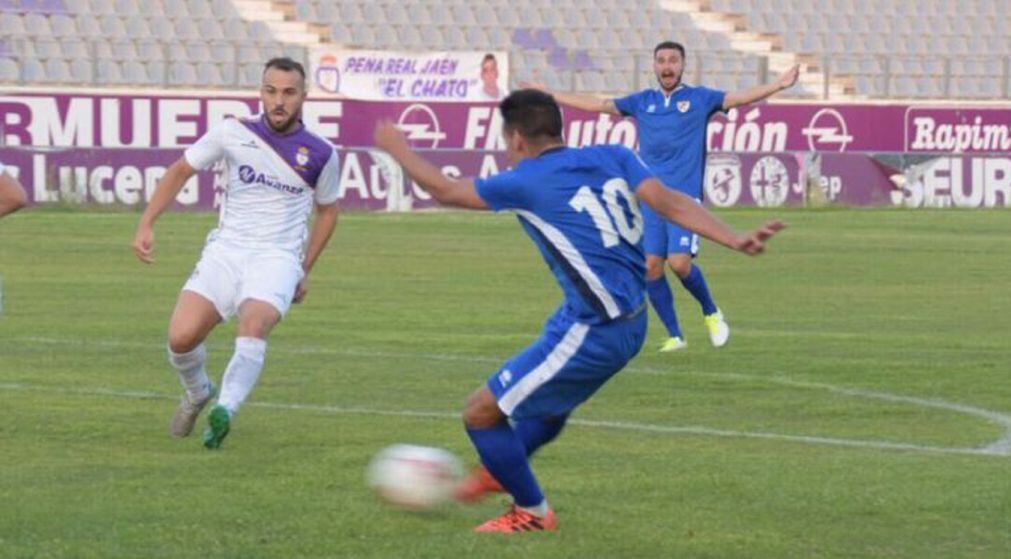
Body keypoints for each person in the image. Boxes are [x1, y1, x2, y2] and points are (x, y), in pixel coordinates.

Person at [373, 89, 784, 532]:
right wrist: (734, 238)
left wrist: (397, 148)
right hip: (625, 320)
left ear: (514, 139)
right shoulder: (613, 155)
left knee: (480, 413)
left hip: (597, 328)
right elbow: (670, 202)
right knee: (550, 405)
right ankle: (500, 470)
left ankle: (531, 511)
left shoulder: (525, 180)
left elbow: (445, 190)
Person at [528, 41, 799, 352]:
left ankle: (711, 312)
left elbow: (738, 98)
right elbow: (599, 104)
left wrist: (778, 84)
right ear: (654, 66)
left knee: (680, 264)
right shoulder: (643, 101)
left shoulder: (700, 98)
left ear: (682, 65)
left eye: (673, 60)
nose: (667, 66)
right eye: (661, 61)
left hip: (683, 200)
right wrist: (550, 95)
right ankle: (675, 335)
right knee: (651, 266)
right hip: (650, 198)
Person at [131, 57, 341, 449]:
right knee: (180, 338)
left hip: (276, 257)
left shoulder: (322, 152)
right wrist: (146, 223)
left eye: (289, 93)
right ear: (261, 92)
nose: (279, 101)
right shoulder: (232, 132)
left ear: (304, 97)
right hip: (226, 251)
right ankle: (198, 392)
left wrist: (302, 268)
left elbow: (328, 211)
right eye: (271, 91)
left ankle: (224, 410)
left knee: (254, 323)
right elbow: (180, 170)